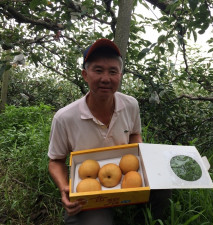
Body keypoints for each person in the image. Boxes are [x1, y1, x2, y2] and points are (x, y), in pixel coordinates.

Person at [47, 38, 171, 225]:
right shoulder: (65, 118)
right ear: (85, 75)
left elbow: (135, 134)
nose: (106, 78)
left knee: (162, 187)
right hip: (89, 186)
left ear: (120, 75)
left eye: (113, 71)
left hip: (127, 177)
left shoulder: (130, 105)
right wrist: (65, 187)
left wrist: (141, 157)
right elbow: (55, 160)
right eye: (98, 70)